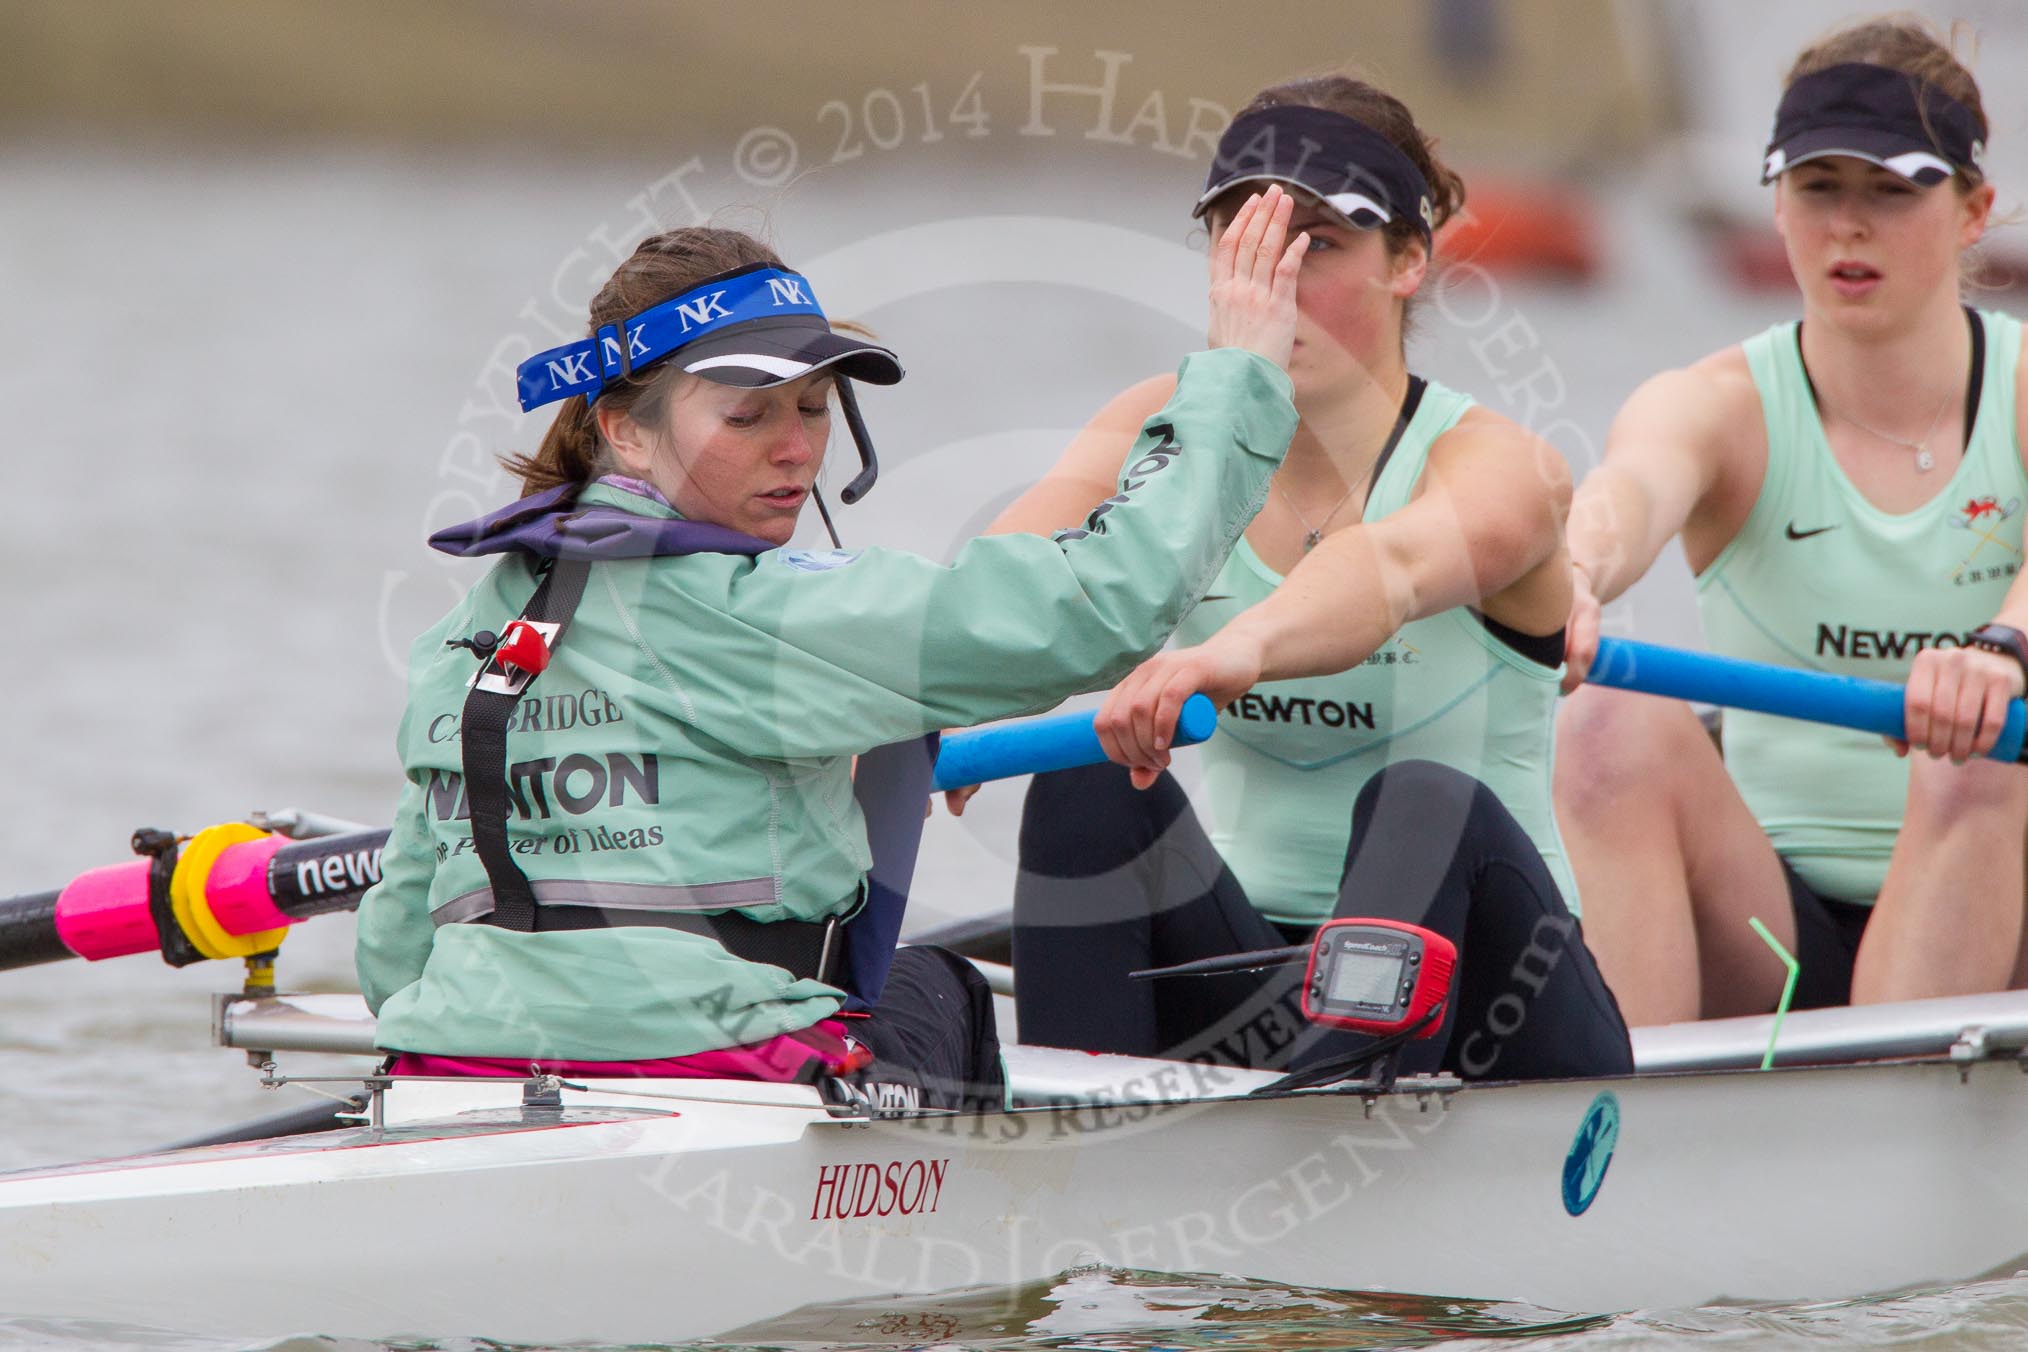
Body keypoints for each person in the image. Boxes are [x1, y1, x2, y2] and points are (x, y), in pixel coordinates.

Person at [354, 209, 1306, 1109]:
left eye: (813, 408)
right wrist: (1244, 375)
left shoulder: (467, 635)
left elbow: (395, 954)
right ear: (625, 428)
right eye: (747, 417)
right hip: (719, 1070)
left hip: (448, 1062)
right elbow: (1104, 600)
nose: (796, 450)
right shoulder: (769, 611)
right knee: (943, 987)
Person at [966, 76, 1632, 1082]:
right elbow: (995, 586)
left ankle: (1328, 1149)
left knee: (1417, 798)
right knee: (1085, 779)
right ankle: (1078, 1143)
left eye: (1318, 244)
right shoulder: (1160, 431)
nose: (1275, 285)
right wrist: (907, 699)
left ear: (1409, 260)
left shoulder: (1503, 466)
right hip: (1263, 968)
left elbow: (1390, 567)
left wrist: (1231, 650)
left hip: (1503, 994)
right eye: (1247, 243)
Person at [1555, 17, 2028, 1026]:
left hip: (2006, 916)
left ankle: (1904, 1128)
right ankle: (1622, 1140)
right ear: (1776, 203)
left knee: (1976, 753)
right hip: (1773, 929)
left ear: (1973, 209)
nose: (1848, 226)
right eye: (1819, 188)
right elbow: (1629, 492)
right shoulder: (1718, 405)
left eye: (1892, 190)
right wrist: (1572, 577)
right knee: (1606, 722)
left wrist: (2001, 647)